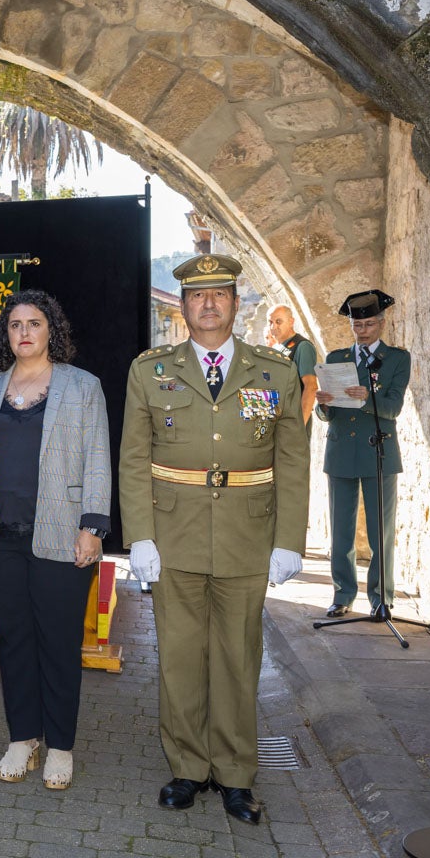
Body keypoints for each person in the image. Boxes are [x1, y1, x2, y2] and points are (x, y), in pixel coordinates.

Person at [120, 254, 308, 824]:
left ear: (234, 301)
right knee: (179, 656)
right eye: (196, 295)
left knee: (237, 657)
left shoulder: (274, 371)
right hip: (172, 534)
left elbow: (293, 460)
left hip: (247, 536)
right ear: (182, 306)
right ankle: (186, 767)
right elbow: (133, 458)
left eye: (219, 294)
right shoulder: (149, 371)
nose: (208, 304)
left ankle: (235, 775)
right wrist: (140, 537)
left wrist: (289, 540)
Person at [0, 290, 111, 791]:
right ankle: (24, 738)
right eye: (15, 324)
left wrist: (93, 526)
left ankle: (60, 745)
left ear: (50, 330)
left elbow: (97, 458)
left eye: (34, 323)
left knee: (59, 644)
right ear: (6, 334)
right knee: (13, 641)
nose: (24, 332)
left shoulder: (82, 386)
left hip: (64, 534)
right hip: (0, 535)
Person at [315, 289, 409, 617]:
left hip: (378, 452)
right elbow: (328, 414)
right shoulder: (336, 358)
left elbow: (393, 407)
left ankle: (381, 598)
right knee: (341, 532)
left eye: (369, 324)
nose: (363, 331)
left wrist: (366, 395)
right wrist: (322, 404)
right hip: (340, 451)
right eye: (358, 325)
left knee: (380, 532)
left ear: (381, 323)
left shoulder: (398, 359)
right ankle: (342, 595)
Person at [266, 305, 318, 430]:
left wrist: (299, 426)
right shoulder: (277, 348)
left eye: (278, 321)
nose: (273, 326)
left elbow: (311, 387)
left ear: (291, 322)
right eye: (270, 322)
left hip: (293, 421)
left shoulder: (302, 346)